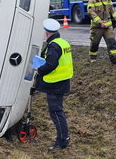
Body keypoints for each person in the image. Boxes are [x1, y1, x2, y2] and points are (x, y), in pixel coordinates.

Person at [35, 18, 73, 151]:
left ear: (46, 32)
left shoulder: (53, 46)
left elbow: (51, 64)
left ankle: (62, 141)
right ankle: (63, 138)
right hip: (62, 82)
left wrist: (38, 69)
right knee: (57, 111)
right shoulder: (62, 42)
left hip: (55, 84)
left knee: (56, 112)